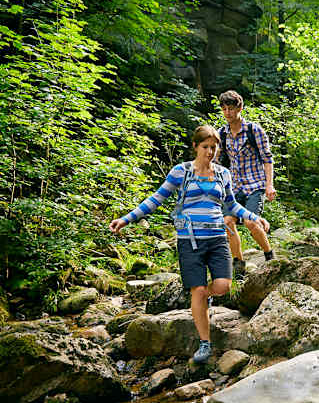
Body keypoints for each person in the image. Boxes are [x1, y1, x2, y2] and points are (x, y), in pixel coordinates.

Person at [109, 125, 264, 363]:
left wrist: (255, 217)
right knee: (198, 290)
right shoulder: (181, 172)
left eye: (214, 147)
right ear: (195, 147)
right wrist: (127, 219)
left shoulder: (224, 174)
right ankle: (205, 343)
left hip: (217, 239)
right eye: (205, 147)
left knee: (222, 286)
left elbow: (232, 206)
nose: (210, 152)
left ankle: (203, 300)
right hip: (189, 241)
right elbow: (156, 199)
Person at [217, 90, 276, 277]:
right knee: (227, 221)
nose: (228, 113)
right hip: (233, 187)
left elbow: (267, 159)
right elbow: (216, 161)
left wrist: (269, 185)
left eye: (231, 109)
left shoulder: (254, 130)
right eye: (224, 109)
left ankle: (269, 254)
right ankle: (238, 263)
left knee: (251, 222)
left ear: (240, 108)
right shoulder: (221, 134)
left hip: (255, 185)